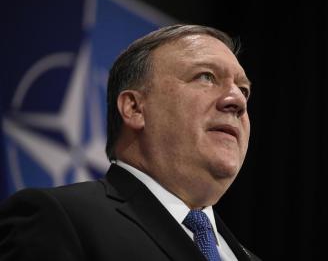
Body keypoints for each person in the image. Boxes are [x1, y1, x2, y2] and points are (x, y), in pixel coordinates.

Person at [0, 24, 260, 261]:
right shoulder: (60, 220)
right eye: (206, 77)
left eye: (243, 89)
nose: (237, 100)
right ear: (134, 108)